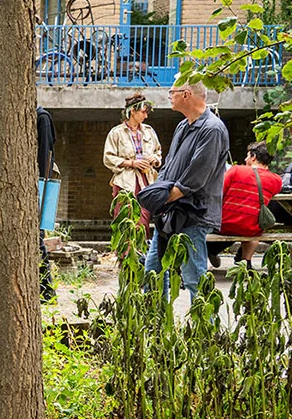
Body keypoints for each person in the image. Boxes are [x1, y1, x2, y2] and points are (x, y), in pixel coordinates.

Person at [142, 82, 229, 296]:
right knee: (153, 270)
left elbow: (195, 178)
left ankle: (203, 328)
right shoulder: (183, 126)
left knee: (193, 277)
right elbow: (169, 166)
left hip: (194, 213)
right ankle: (155, 325)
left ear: (187, 94)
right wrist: (158, 194)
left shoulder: (212, 129)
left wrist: (161, 199)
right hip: (170, 212)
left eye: (172, 92)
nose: (169, 96)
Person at [209, 141, 282, 268]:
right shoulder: (276, 180)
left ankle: (211, 251)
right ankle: (245, 261)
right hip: (251, 229)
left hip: (224, 225)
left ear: (254, 157)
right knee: (255, 220)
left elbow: (218, 194)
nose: (245, 159)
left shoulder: (236, 170)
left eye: (247, 156)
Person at [103, 93, 162, 239]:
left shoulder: (148, 131)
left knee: (143, 220)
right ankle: (125, 257)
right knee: (125, 218)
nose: (145, 116)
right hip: (125, 181)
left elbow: (158, 152)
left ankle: (141, 255)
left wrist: (153, 159)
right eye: (143, 112)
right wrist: (131, 163)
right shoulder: (116, 133)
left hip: (146, 180)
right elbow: (108, 157)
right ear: (132, 111)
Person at [37, 105, 57, 302]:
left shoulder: (41, 118)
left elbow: (45, 155)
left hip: (39, 185)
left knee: (37, 238)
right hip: (35, 184)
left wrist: (41, 184)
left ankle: (47, 289)